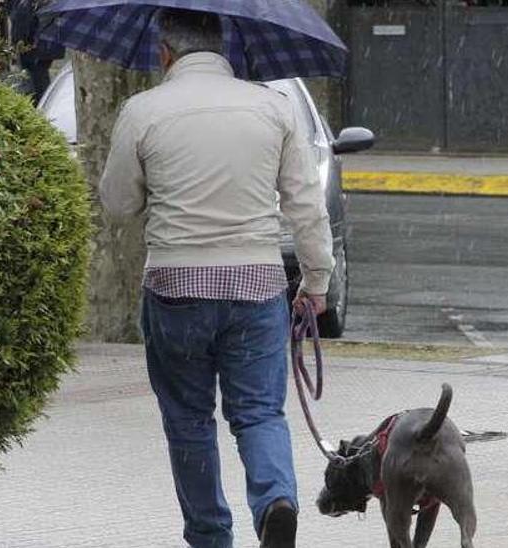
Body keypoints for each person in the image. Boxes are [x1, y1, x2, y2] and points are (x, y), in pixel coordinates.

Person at [98, 8, 334, 548]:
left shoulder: (142, 110)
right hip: (256, 286)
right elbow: (305, 205)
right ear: (224, 49)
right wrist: (316, 279)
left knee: (188, 421)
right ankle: (276, 500)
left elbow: (117, 204)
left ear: (165, 51)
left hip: (175, 286)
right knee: (258, 413)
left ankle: (209, 536)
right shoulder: (273, 108)